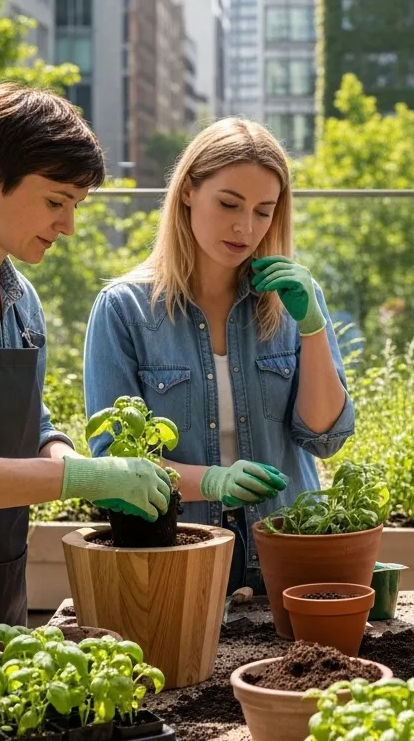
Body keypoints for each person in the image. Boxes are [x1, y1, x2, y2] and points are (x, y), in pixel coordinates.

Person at [0, 84, 173, 657]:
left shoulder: (22, 300)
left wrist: (83, 465)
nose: (68, 226)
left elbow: (33, 427)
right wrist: (75, 481)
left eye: (77, 206)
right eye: (55, 201)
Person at [84, 118, 355, 594]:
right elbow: (113, 466)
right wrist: (212, 481)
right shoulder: (124, 310)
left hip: (287, 561)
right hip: (178, 562)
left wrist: (312, 327)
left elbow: (324, 438)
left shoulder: (291, 301)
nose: (244, 227)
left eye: (263, 212)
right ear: (188, 191)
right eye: (229, 204)